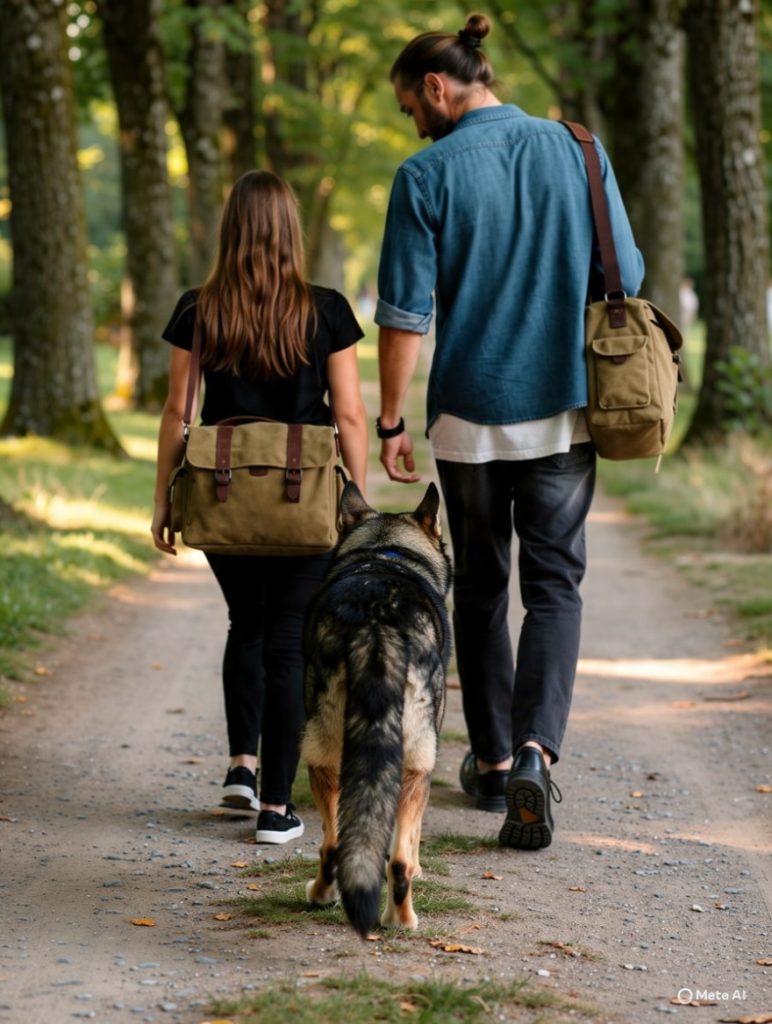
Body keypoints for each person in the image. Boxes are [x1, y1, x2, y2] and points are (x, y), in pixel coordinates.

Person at [375, 14, 643, 850]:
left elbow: (404, 314)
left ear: (437, 87)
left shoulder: (424, 175)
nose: (412, 126)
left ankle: (491, 763)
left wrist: (391, 419)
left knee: (484, 587)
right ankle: (536, 753)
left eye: (410, 109)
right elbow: (628, 273)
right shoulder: (580, 150)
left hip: (469, 417)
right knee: (555, 585)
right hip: (563, 407)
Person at [151, 170, 368, 844]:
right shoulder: (325, 310)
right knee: (287, 643)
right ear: (289, 231)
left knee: (245, 622)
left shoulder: (199, 309)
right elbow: (350, 415)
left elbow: (178, 412)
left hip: (225, 497)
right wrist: (356, 503)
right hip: (304, 502)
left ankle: (241, 769)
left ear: (231, 231)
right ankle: (277, 807)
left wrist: (163, 499)